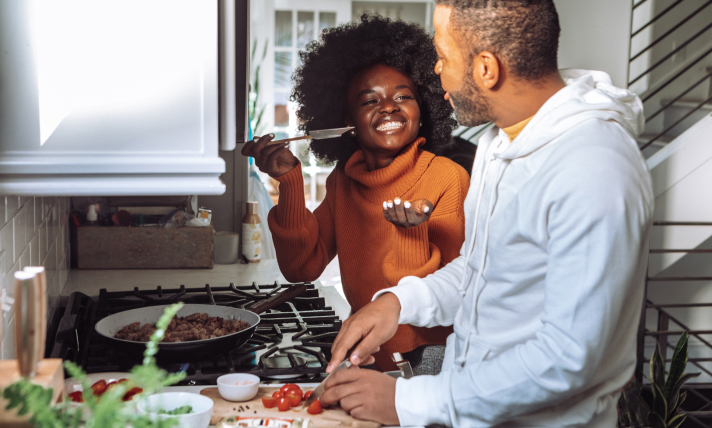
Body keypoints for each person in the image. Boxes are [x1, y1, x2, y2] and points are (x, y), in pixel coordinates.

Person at [321, 1, 654, 426]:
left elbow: (569, 358)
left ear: (485, 69)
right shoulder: (501, 144)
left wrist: (411, 402)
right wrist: (398, 303)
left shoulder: (595, 168)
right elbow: (483, 271)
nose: (436, 70)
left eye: (443, 56)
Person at [241, 15, 470, 373]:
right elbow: (301, 267)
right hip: (366, 357)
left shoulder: (447, 178)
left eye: (403, 96)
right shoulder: (343, 182)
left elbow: (456, 294)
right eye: (369, 101)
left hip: (429, 364)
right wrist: (289, 182)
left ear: (423, 111)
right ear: (345, 122)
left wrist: (410, 233)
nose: (389, 106)